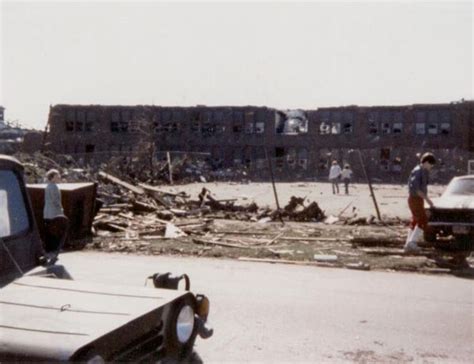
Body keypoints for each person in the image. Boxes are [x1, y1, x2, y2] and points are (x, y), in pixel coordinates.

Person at [404, 153, 436, 253]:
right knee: (422, 220)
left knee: (415, 220)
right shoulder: (419, 171)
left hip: (415, 199)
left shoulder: (419, 170)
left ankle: (408, 243)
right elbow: (417, 189)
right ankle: (412, 243)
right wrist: (427, 200)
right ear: (426, 162)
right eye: (431, 165)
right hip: (415, 198)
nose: (431, 167)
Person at [43, 169, 68, 261]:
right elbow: (56, 201)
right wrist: (61, 209)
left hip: (47, 212)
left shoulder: (48, 186)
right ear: (52, 177)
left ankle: (48, 249)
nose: (59, 178)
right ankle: (54, 249)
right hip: (54, 213)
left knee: (49, 231)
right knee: (55, 232)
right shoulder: (54, 187)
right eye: (57, 176)